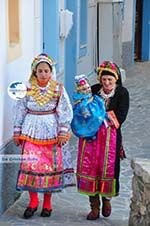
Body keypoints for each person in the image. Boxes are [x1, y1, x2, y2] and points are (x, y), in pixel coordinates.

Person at [13, 53, 74, 219]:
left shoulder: (58, 88)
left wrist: (63, 131)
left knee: (50, 167)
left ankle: (47, 204)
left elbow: (65, 111)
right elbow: (20, 109)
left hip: (51, 132)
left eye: (46, 70)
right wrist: (17, 131)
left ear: (51, 71)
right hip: (30, 131)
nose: (43, 74)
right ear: (35, 72)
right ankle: (33, 202)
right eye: (40, 71)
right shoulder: (26, 89)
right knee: (30, 166)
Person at [76, 61, 129, 220]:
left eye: (110, 80)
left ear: (116, 80)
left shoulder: (122, 93)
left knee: (108, 169)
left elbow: (121, 115)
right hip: (91, 138)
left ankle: (106, 199)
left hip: (110, 139)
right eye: (104, 79)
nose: (106, 83)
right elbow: (83, 108)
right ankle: (94, 206)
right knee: (90, 168)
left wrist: (100, 117)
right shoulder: (93, 90)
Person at [71, 74, 106, 140]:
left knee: (97, 117)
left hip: (95, 111)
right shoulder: (81, 102)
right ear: (80, 91)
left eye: (88, 87)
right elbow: (81, 112)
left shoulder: (94, 97)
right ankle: (88, 133)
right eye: (84, 89)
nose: (87, 90)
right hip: (87, 116)